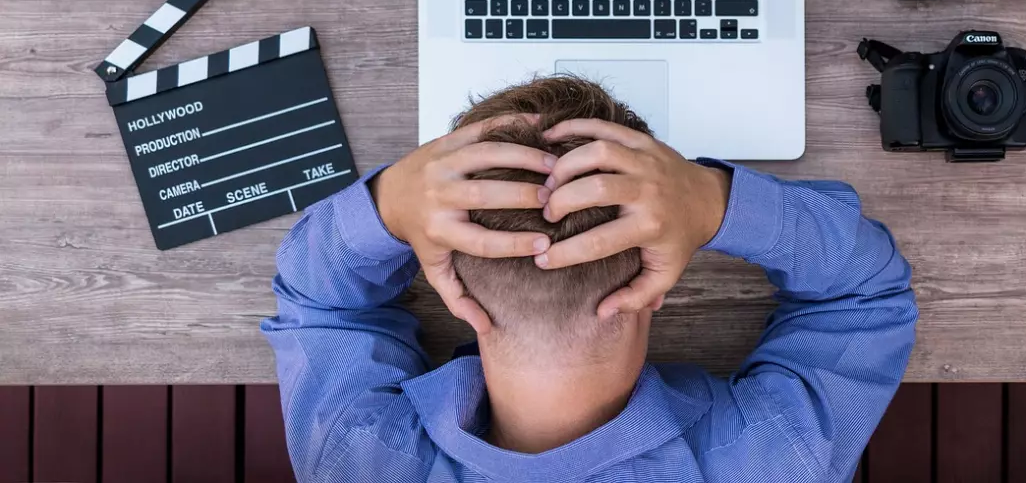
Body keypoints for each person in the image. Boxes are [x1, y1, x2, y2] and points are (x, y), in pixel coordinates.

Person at [262, 77, 918, 482]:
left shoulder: (356, 460)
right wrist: (712, 202)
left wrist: (385, 207)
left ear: (450, 287)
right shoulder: (778, 459)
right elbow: (865, 289)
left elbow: (322, 305)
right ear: (654, 289)